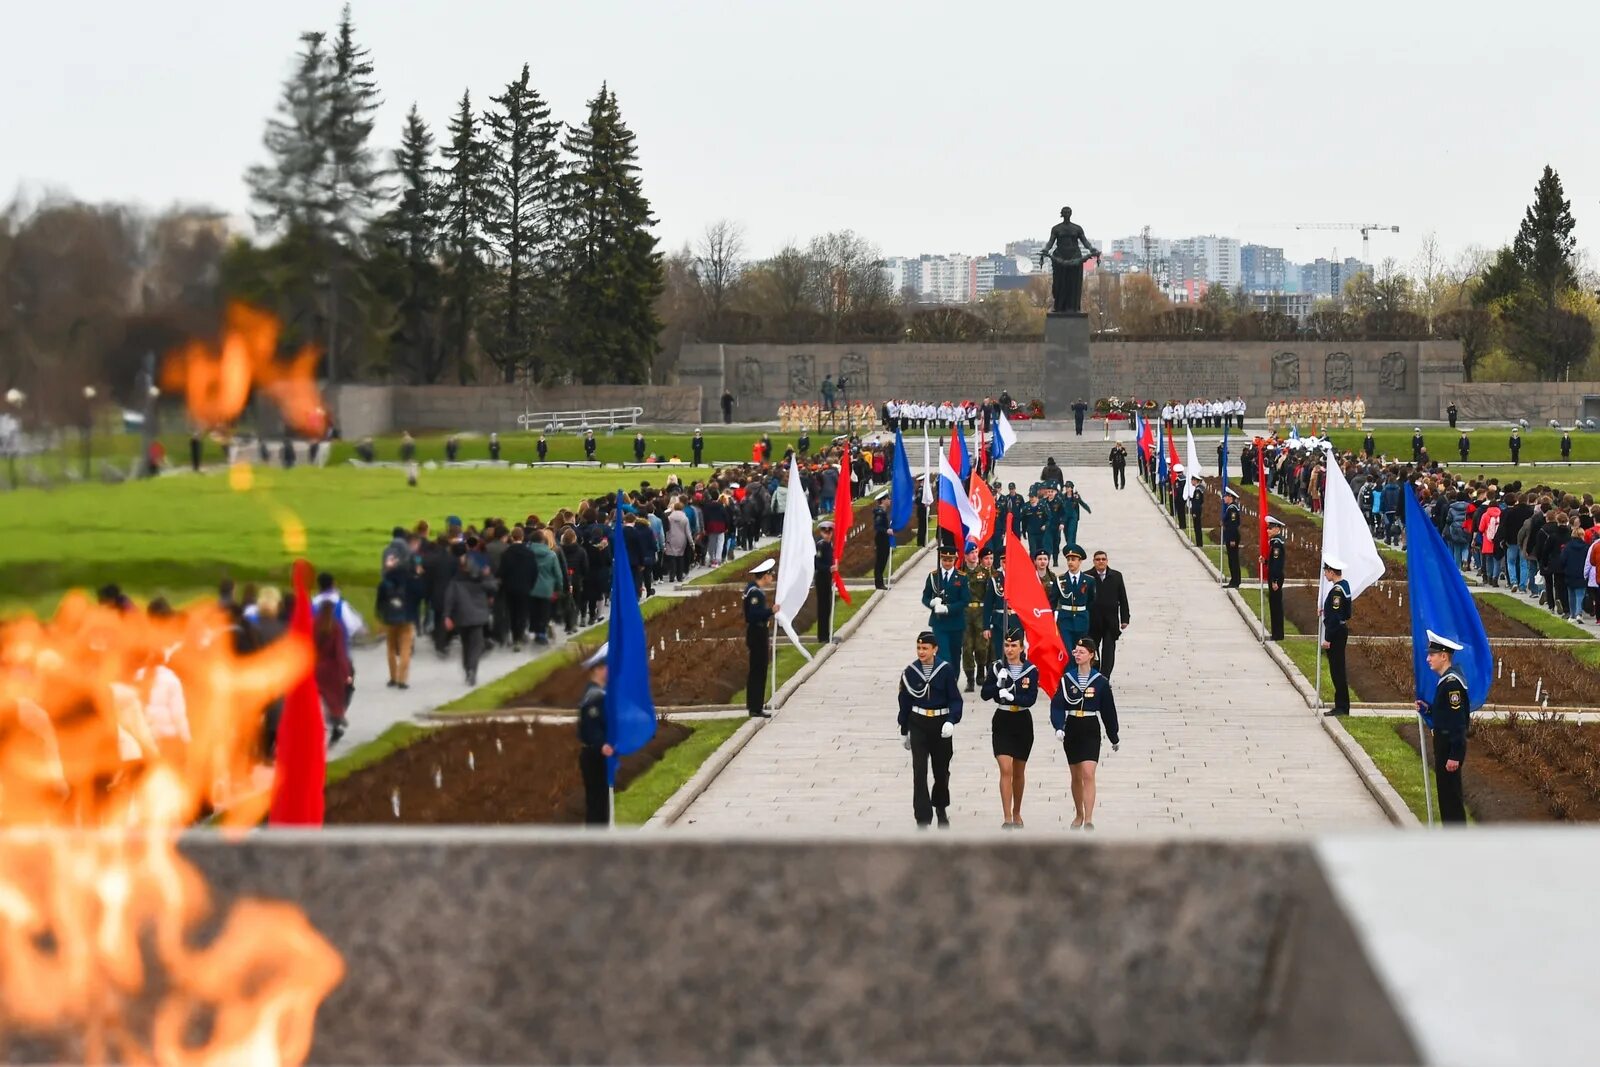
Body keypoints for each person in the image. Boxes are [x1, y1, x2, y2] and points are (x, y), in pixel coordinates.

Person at [1050, 637, 1119, 830]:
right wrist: (1058, 726)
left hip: (1090, 727)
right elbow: (1057, 705)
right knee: (1076, 775)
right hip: (1072, 727)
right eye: (1076, 651)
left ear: (1091, 655)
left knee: (1088, 773)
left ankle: (1088, 818)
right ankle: (1079, 813)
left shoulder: (1100, 682)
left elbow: (1108, 711)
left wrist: (1114, 736)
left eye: (1081, 652)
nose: (1077, 655)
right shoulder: (1067, 679)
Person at [896, 630, 963, 828]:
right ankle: (922, 817)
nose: (921, 652)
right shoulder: (910, 672)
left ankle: (940, 807)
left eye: (925, 648)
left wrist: (952, 720)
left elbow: (955, 699)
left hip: (940, 723)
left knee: (941, 771)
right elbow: (905, 702)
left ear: (935, 649)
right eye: (919, 648)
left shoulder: (945, 670)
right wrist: (903, 729)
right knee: (919, 770)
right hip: (919, 724)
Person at [979, 629, 1039, 829]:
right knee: (1006, 769)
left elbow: (1031, 699)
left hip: (1022, 720)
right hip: (1003, 719)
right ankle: (1006, 817)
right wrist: (997, 685)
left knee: (1019, 771)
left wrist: (1015, 697)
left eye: (1014, 645)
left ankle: (1017, 811)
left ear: (1022, 647)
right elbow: (985, 694)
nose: (1009, 649)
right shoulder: (997, 667)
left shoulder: (1030, 670)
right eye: (1006, 645)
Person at [1417, 631, 1469, 824]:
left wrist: (1455, 754)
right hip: (1444, 745)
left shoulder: (1451, 685)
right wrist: (1429, 710)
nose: (1428, 658)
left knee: (1451, 798)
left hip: (1449, 748)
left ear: (1444, 656)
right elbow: (1446, 715)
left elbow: (1457, 723)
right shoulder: (1447, 681)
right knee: (1446, 796)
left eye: (1432, 654)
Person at [444, 548, 497, 686]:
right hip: (478, 616)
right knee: (476, 645)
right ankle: (472, 669)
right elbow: (493, 588)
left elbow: (449, 598)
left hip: (461, 615)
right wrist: (487, 575)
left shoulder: (456, 581)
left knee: (466, 644)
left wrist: (447, 616)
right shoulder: (480, 579)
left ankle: (467, 668)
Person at [576, 644, 613, 826]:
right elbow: (590, 728)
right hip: (594, 754)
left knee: (601, 801)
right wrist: (603, 744)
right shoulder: (594, 696)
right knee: (597, 802)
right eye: (606, 667)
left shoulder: (599, 693)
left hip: (598, 753)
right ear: (598, 669)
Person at [375, 554, 421, 689]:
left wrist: (380, 616)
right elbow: (418, 597)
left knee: (391, 648)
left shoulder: (385, 582)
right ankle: (402, 679)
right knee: (405, 649)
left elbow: (380, 602)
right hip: (406, 618)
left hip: (390, 618)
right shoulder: (411, 581)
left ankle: (392, 677)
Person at [921, 545, 970, 669]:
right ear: (940, 560)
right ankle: (944, 682)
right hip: (939, 623)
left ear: (955, 560)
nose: (947, 563)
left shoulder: (962, 577)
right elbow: (925, 597)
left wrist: (948, 609)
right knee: (943, 655)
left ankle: (953, 681)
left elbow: (965, 600)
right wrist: (932, 603)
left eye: (950, 560)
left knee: (955, 655)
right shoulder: (933, 576)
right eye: (944, 560)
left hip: (956, 623)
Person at [313, 600, 353, 745]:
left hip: (316, 668)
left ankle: (319, 726)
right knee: (334, 700)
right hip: (332, 670)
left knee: (318, 699)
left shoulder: (314, 625)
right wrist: (346, 673)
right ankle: (336, 725)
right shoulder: (336, 628)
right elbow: (339, 653)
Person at [1086, 549, 1129, 678]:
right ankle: (1093, 675)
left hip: (1110, 621)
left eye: (1103, 559)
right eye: (1098, 559)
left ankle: (1105, 677)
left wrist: (1125, 619)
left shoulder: (1116, 576)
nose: (1101, 562)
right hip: (1093, 620)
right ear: (1094, 562)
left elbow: (1123, 598)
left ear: (1107, 561)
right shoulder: (1087, 576)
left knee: (1109, 650)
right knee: (1092, 649)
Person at [744, 559, 776, 717]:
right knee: (758, 670)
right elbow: (753, 615)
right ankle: (755, 707)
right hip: (757, 634)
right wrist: (771, 611)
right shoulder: (755, 593)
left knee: (758, 669)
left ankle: (755, 705)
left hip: (758, 633)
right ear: (765, 576)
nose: (772, 578)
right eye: (771, 575)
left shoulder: (753, 589)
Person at [1320, 558, 1352, 716]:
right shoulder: (1344, 585)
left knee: (1337, 670)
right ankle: (1341, 705)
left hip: (1336, 633)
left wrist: (1327, 638)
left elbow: (1335, 618)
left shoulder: (1337, 591)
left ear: (1332, 572)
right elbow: (1345, 613)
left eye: (1326, 572)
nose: (1325, 575)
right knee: (1337, 669)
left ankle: (1342, 706)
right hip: (1341, 629)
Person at [960, 545, 993, 692]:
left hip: (980, 612)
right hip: (965, 613)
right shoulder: (959, 573)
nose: (973, 556)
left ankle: (981, 669)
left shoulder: (985, 573)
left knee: (981, 646)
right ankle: (970, 679)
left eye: (975, 553)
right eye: (970, 553)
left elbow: (990, 595)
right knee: (967, 647)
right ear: (965, 556)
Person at [1053, 545, 1096, 652]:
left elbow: (1091, 600)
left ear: (1080, 561)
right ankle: (1069, 669)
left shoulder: (1089, 580)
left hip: (1081, 619)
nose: (1070, 562)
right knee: (1067, 650)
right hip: (1065, 619)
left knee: (1081, 650)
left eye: (1073, 559)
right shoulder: (1060, 579)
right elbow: (1053, 600)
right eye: (1068, 560)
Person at [814, 518, 837, 643]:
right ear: (821, 533)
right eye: (825, 533)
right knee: (823, 608)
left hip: (827, 577)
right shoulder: (820, 546)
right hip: (821, 578)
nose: (828, 535)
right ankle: (822, 636)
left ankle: (827, 633)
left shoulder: (829, 545)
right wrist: (829, 568)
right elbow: (817, 564)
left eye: (830, 533)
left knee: (827, 607)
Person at [1266, 516, 1287, 641]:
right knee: (1274, 605)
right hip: (1275, 576)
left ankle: (1278, 634)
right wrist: (1265, 561)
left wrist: (1274, 581)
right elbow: (1273, 561)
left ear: (1277, 529)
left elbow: (1278, 564)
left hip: (1276, 578)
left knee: (1276, 606)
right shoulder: (1275, 542)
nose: (1268, 530)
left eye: (1270, 528)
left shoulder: (1277, 544)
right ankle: (1276, 633)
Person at [873, 497, 891, 589]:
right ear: (883, 500)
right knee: (880, 561)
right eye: (888, 499)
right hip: (881, 539)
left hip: (884, 538)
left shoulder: (883, 511)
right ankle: (879, 583)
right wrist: (886, 530)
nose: (889, 501)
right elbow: (877, 526)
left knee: (883, 560)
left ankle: (880, 582)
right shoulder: (880, 512)